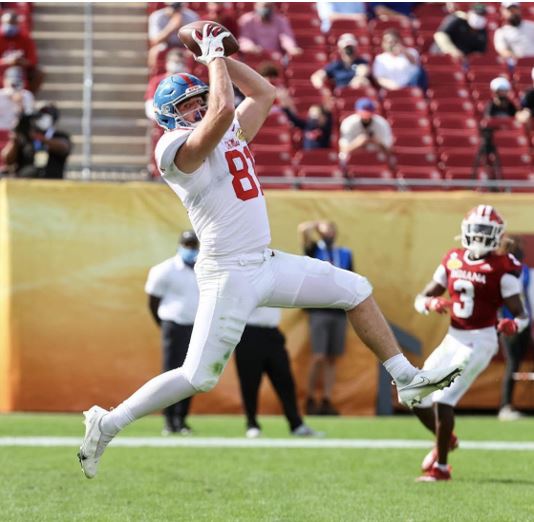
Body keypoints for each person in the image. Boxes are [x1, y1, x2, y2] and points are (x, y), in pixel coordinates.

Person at [78, 23, 462, 479]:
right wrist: (213, 56)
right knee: (198, 377)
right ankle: (108, 422)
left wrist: (215, 57)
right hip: (227, 273)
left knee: (356, 290)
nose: (198, 107)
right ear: (167, 116)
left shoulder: (222, 128)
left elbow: (263, 94)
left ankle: (405, 379)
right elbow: (221, 111)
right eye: (186, 105)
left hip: (264, 261)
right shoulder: (173, 148)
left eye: (199, 98)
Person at [412, 205, 528, 482]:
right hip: (454, 337)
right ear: (465, 230)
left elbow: (522, 315)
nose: (479, 235)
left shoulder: (502, 267)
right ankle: (446, 438)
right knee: (414, 392)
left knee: (443, 398)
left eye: (485, 231)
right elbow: (421, 298)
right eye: (476, 229)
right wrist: (430, 302)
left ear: (496, 235)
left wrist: (513, 324)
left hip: (481, 340)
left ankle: (440, 468)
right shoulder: (452, 259)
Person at [145, 231, 200, 435]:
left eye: (193, 244)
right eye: (187, 244)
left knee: (192, 374)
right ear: (179, 245)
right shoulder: (165, 269)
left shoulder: (204, 269)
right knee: (170, 373)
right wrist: (163, 324)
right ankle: (169, 421)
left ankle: (182, 419)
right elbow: (153, 301)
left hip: (196, 327)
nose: (190, 248)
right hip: (173, 324)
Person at [235, 306, 320, 437]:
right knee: (249, 382)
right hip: (248, 332)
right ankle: (252, 423)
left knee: (285, 381)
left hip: (272, 332)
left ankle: (296, 425)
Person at [298, 220, 354, 416]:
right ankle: (310, 398)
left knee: (332, 359)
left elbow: (351, 279)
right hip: (319, 310)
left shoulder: (345, 253)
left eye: (331, 229)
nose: (329, 233)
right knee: (318, 356)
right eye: (326, 230)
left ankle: (327, 399)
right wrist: (315, 225)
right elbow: (303, 231)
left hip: (338, 310)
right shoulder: (315, 250)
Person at [498, 235, 532, 421]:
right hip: (509, 324)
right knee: (512, 364)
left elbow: (526, 297)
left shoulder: (524, 269)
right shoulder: (501, 270)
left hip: (524, 323)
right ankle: (505, 406)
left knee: (517, 364)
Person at [1, 101, 71, 179]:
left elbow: (64, 147)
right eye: (40, 113)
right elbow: (7, 159)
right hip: (24, 184)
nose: (43, 117)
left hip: (51, 184)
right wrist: (15, 139)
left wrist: (40, 138)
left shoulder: (59, 136)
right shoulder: (24, 137)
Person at [147, 2, 199, 71]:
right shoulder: (157, 16)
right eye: (173, 6)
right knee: (155, 51)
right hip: (166, 45)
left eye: (178, 7)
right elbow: (155, 41)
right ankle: (156, 75)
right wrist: (172, 27)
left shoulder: (191, 16)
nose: (176, 10)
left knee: (195, 52)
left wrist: (181, 27)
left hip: (185, 46)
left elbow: (195, 41)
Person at [0, 11, 41, 93]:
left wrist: (21, 61)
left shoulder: (25, 38)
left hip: (21, 70)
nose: (10, 26)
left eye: (13, 23)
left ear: (18, 24)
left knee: (38, 73)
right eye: (8, 23)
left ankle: (28, 97)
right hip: (1, 70)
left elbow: (33, 61)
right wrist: (6, 62)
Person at [0, 66, 34, 131]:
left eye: (18, 81)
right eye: (12, 81)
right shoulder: (1, 94)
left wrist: (20, 102)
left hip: (18, 132)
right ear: (5, 80)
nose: (14, 85)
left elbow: (28, 115)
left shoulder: (26, 95)